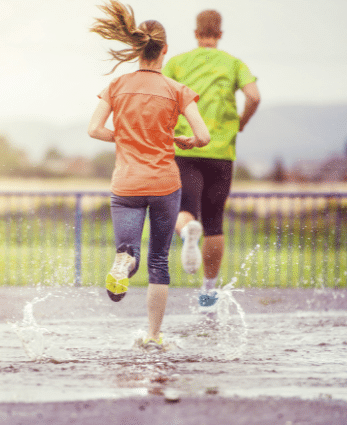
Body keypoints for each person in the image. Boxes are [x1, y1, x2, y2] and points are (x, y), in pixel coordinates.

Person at [88, 0, 210, 349]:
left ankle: (124, 262)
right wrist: (185, 141)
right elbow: (203, 136)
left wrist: (123, 137)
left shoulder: (117, 85)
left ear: (137, 48)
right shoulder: (176, 90)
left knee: (129, 251)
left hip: (126, 184)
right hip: (164, 184)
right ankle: (154, 336)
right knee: (159, 260)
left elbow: (94, 128)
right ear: (165, 51)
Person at [162, 9, 260, 311]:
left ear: (195, 33)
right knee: (214, 222)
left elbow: (164, 97)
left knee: (185, 210)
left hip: (184, 148)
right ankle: (208, 293)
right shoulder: (233, 63)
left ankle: (187, 232)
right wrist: (240, 122)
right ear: (219, 34)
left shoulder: (178, 63)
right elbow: (254, 96)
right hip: (221, 152)